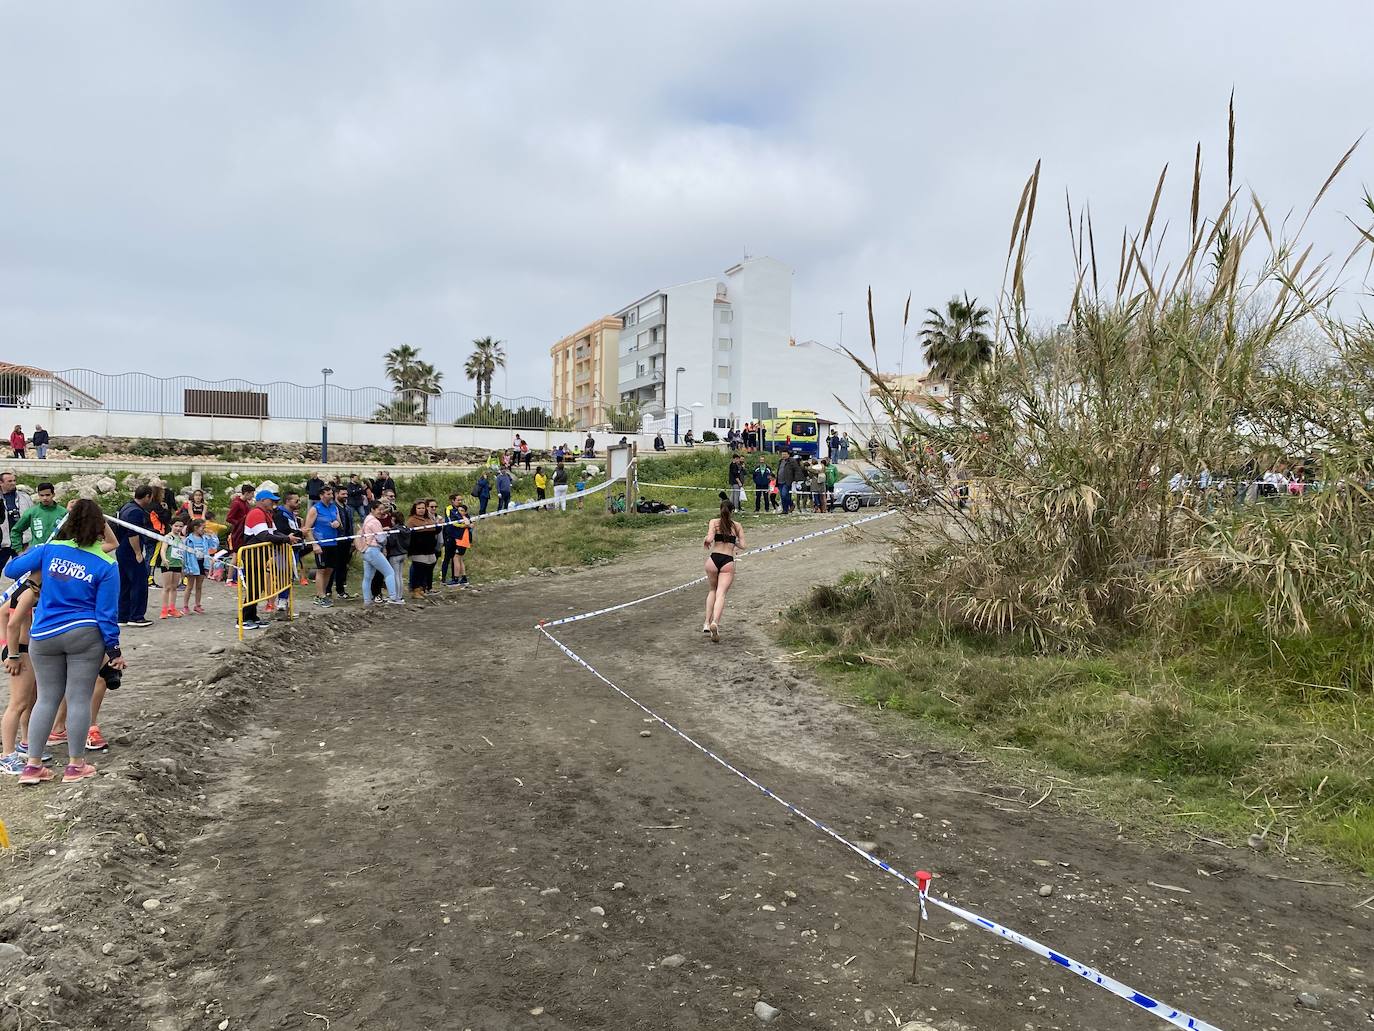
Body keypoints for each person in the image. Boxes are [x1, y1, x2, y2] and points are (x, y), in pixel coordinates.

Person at [4, 499, 125, 786]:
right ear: (100, 527)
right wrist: (114, 649)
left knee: (46, 697)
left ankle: (32, 766)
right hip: (84, 633)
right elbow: (106, 613)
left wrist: (40, 559)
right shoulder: (106, 563)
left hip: (44, 634)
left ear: (67, 523)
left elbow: (11, 570)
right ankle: (75, 765)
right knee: (79, 698)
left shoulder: (50, 550)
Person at [239, 489, 300, 631]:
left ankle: (252, 616)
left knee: (258, 587)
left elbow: (274, 532)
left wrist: (288, 537)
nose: (274, 502)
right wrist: (286, 539)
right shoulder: (256, 513)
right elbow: (264, 536)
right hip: (252, 555)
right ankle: (244, 618)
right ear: (262, 500)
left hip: (260, 555)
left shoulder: (266, 514)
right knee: (253, 587)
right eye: (271, 500)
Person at [1, 577, 41, 773]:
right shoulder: (29, 592)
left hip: (26, 649)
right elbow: (9, 622)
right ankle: (7, 755)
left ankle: (26, 742)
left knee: (30, 699)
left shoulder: (29, 589)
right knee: (18, 703)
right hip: (21, 651)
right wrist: (10, 652)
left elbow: (3, 612)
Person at [701, 498, 743, 642]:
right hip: (727, 561)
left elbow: (710, 537)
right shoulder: (737, 526)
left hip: (713, 559)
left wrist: (706, 540)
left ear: (720, 510)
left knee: (712, 590)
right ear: (732, 511)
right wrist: (733, 542)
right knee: (721, 594)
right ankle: (715, 622)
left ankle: (706, 623)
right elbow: (743, 544)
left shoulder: (714, 522)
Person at [114, 486, 154, 627]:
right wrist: (138, 552)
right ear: (147, 496)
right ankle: (136, 616)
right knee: (139, 583)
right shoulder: (135, 512)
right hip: (130, 550)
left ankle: (122, 616)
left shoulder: (126, 506)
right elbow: (133, 533)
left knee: (125, 583)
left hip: (121, 549)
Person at [356, 500, 402, 606]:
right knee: (389, 572)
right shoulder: (375, 522)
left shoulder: (367, 519)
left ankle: (367, 601)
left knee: (367, 577)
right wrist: (385, 533)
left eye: (382, 509)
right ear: (372, 509)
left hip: (366, 550)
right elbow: (381, 539)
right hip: (373, 549)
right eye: (379, 509)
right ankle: (393, 597)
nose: (381, 512)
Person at [304, 484, 343, 608]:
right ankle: (320, 595)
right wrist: (314, 544)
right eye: (328, 494)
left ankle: (323, 593)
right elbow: (307, 529)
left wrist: (338, 524)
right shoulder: (315, 509)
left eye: (332, 494)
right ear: (321, 495)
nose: (331, 496)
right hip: (321, 543)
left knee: (330, 569)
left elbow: (339, 522)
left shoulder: (334, 507)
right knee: (321, 569)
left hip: (333, 542)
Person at [0, 470, 33, 572]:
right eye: (9, 481)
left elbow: (32, 515)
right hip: (2, 542)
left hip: (21, 541)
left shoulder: (24, 497)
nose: (13, 483)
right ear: (1, 483)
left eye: (14, 480)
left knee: (22, 572)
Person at [13, 482, 64, 548]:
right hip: (36, 551)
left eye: (47, 495)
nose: (45, 498)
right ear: (38, 495)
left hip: (55, 551)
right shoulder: (31, 512)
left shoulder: (63, 512)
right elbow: (16, 531)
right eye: (41, 495)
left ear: (53, 494)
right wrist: (19, 550)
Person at [406, 500, 439, 598]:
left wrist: (438, 525)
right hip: (418, 549)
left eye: (423, 508)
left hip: (429, 548)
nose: (421, 510)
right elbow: (409, 535)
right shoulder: (412, 520)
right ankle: (415, 590)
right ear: (415, 509)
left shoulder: (429, 518)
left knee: (428, 568)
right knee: (418, 569)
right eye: (419, 508)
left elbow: (435, 531)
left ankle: (422, 588)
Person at [157, 518, 188, 619]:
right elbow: (163, 550)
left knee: (174, 587)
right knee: (167, 587)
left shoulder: (182, 539)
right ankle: (164, 609)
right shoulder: (168, 537)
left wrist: (183, 566)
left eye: (180, 526)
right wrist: (164, 559)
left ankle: (172, 608)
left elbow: (182, 553)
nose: (178, 528)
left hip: (178, 565)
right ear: (171, 526)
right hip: (168, 564)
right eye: (176, 526)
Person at [182, 518, 212, 614]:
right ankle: (185, 606)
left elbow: (214, 545)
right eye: (203, 528)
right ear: (196, 528)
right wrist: (185, 566)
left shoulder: (205, 539)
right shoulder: (188, 540)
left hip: (202, 563)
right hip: (192, 564)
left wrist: (212, 536)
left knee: (199, 586)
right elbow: (185, 554)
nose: (204, 530)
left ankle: (197, 604)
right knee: (189, 586)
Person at [331, 498, 354, 599]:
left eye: (346, 494)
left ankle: (340, 590)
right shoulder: (333, 508)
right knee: (332, 566)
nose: (345, 496)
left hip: (347, 540)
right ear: (337, 494)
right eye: (343, 494)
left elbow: (350, 524)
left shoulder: (348, 508)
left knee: (343, 566)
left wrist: (352, 539)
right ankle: (327, 590)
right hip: (336, 540)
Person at [776, 451, 797, 515]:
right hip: (779, 481)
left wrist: (794, 479)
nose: (783, 455)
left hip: (787, 481)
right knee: (783, 496)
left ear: (788, 455)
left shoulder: (791, 461)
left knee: (784, 494)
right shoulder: (780, 461)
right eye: (782, 454)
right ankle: (785, 510)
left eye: (785, 454)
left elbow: (796, 470)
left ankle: (791, 504)